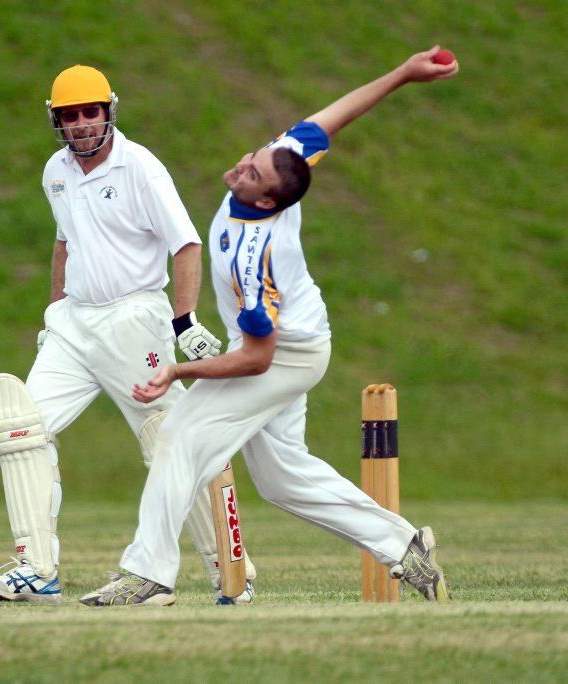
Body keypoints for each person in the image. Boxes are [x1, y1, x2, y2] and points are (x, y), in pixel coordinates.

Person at [80, 47, 460, 607]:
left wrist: (178, 371)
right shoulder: (281, 167)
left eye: (251, 171)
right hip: (293, 341)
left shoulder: (252, 262)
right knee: (282, 479)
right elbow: (334, 117)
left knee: (179, 439)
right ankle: (404, 545)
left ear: (266, 198)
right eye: (253, 156)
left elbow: (258, 359)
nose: (241, 164)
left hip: (283, 354)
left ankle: (149, 573)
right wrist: (404, 74)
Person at [0, 65, 258, 604]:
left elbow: (186, 245)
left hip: (134, 320)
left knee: (171, 440)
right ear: (56, 120)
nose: (80, 124)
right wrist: (54, 312)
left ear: (108, 112)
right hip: (74, 323)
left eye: (89, 113)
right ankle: (36, 570)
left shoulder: (140, 167)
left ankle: (230, 573)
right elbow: (65, 241)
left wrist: (185, 320)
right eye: (69, 116)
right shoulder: (55, 171)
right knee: (20, 425)